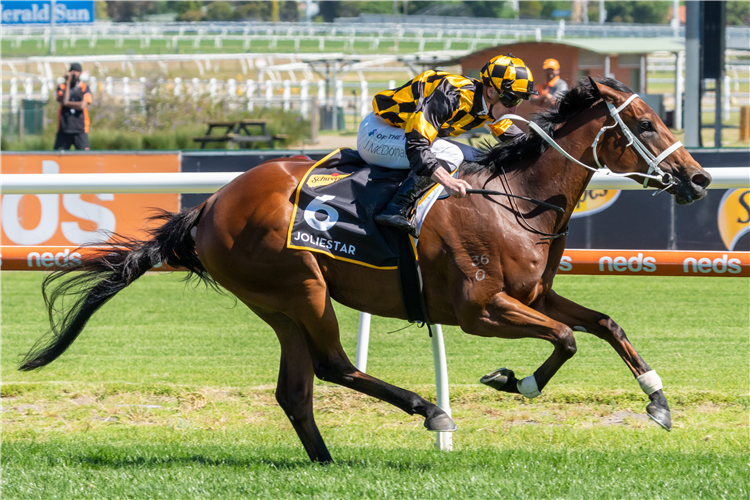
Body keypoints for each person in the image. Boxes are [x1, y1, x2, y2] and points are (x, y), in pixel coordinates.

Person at [357, 54, 537, 235]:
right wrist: (447, 181)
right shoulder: (449, 95)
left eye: (519, 100)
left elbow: (518, 142)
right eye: (511, 99)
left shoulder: (489, 103)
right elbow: (417, 145)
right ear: (491, 92)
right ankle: (396, 207)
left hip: (402, 135)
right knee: (452, 154)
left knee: (480, 157)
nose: (513, 109)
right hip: (376, 133)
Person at [54, 62, 92, 150]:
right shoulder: (62, 86)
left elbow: (82, 105)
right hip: (64, 129)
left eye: (77, 71)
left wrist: (67, 103)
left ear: (81, 73)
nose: (75, 74)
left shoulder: (84, 88)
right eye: (73, 71)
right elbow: (62, 100)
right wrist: (67, 82)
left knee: (85, 158)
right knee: (59, 157)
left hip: (80, 129)